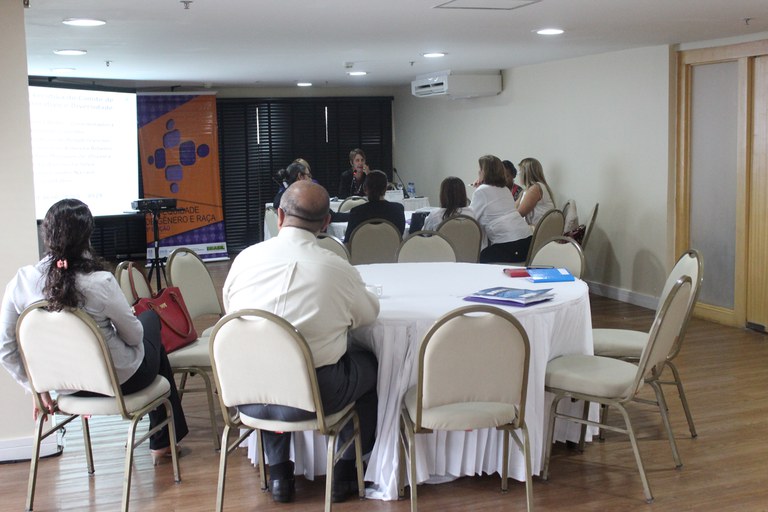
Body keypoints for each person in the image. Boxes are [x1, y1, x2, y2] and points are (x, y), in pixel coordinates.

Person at [223, 181, 380, 504]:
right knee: (370, 365)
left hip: (245, 392)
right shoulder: (336, 269)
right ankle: (345, 474)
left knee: (267, 361)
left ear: (279, 216)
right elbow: (368, 315)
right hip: (314, 395)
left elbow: (232, 316)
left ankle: (280, 476)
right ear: (325, 224)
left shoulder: (244, 260)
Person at [0, 199, 188, 463]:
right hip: (118, 382)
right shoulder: (101, 281)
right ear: (87, 237)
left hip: (65, 387)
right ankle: (163, 441)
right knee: (149, 322)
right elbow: (134, 338)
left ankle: (164, 440)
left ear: (46, 234)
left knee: (148, 339)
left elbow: (5, 349)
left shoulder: (21, 282)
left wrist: (35, 387)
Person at [470, 155, 532, 263]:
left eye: (480, 169)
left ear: (485, 172)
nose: (478, 172)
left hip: (510, 245)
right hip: (527, 243)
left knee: (475, 259)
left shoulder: (482, 191)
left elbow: (471, 220)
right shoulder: (505, 189)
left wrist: (478, 189)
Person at [343, 170, 406, 243]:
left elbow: (348, 241)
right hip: (391, 252)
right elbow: (400, 236)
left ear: (365, 189)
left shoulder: (356, 212)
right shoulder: (398, 209)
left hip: (362, 253)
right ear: (386, 189)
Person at [516, 157, 556, 225]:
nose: (518, 174)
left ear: (527, 173)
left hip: (539, 232)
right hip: (537, 229)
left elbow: (519, 214)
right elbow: (513, 208)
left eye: (520, 171)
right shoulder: (527, 190)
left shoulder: (535, 188)